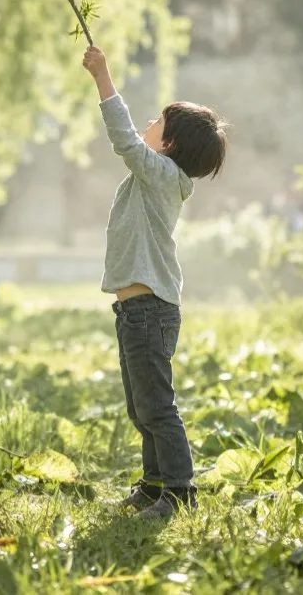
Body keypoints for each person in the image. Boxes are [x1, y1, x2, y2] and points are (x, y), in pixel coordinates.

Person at [81, 45, 229, 520]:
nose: (146, 124)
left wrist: (102, 76)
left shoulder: (161, 175)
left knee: (157, 406)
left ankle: (180, 492)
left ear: (167, 147)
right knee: (141, 407)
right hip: (136, 312)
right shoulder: (159, 176)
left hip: (149, 311)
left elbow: (124, 138)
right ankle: (153, 485)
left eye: (157, 122)